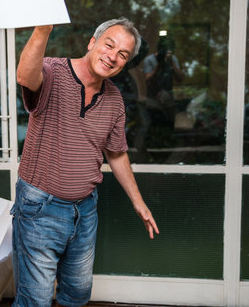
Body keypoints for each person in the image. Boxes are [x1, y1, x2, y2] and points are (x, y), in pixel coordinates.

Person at [12, 18, 160, 307]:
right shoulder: (53, 72)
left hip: (85, 210)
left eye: (123, 54)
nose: (113, 56)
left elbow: (116, 153)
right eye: (109, 45)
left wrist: (138, 202)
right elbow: (25, 77)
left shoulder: (115, 99)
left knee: (77, 293)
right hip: (40, 208)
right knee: (35, 300)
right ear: (92, 42)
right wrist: (43, 30)